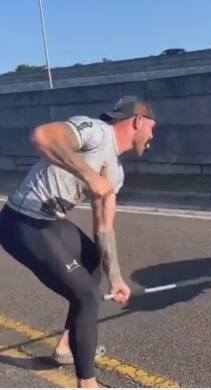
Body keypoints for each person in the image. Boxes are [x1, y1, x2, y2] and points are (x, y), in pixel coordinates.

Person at [0, 96, 156, 388]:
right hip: (21, 222)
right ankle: (87, 383)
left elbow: (104, 228)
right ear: (137, 121)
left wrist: (116, 278)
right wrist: (88, 175)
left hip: (50, 221)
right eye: (152, 129)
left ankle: (66, 347)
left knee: (93, 260)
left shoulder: (117, 173)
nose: (152, 137)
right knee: (87, 296)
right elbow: (42, 136)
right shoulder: (95, 131)